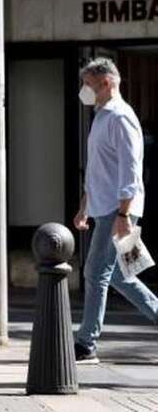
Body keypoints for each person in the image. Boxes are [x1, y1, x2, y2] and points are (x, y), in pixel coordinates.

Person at [73, 57, 158, 364]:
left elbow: (131, 171)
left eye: (88, 84)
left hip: (119, 211)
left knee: (95, 273)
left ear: (106, 83)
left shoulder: (120, 117)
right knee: (123, 276)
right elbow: (98, 169)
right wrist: (85, 206)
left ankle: (86, 343)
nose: (85, 90)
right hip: (107, 209)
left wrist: (123, 216)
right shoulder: (101, 116)